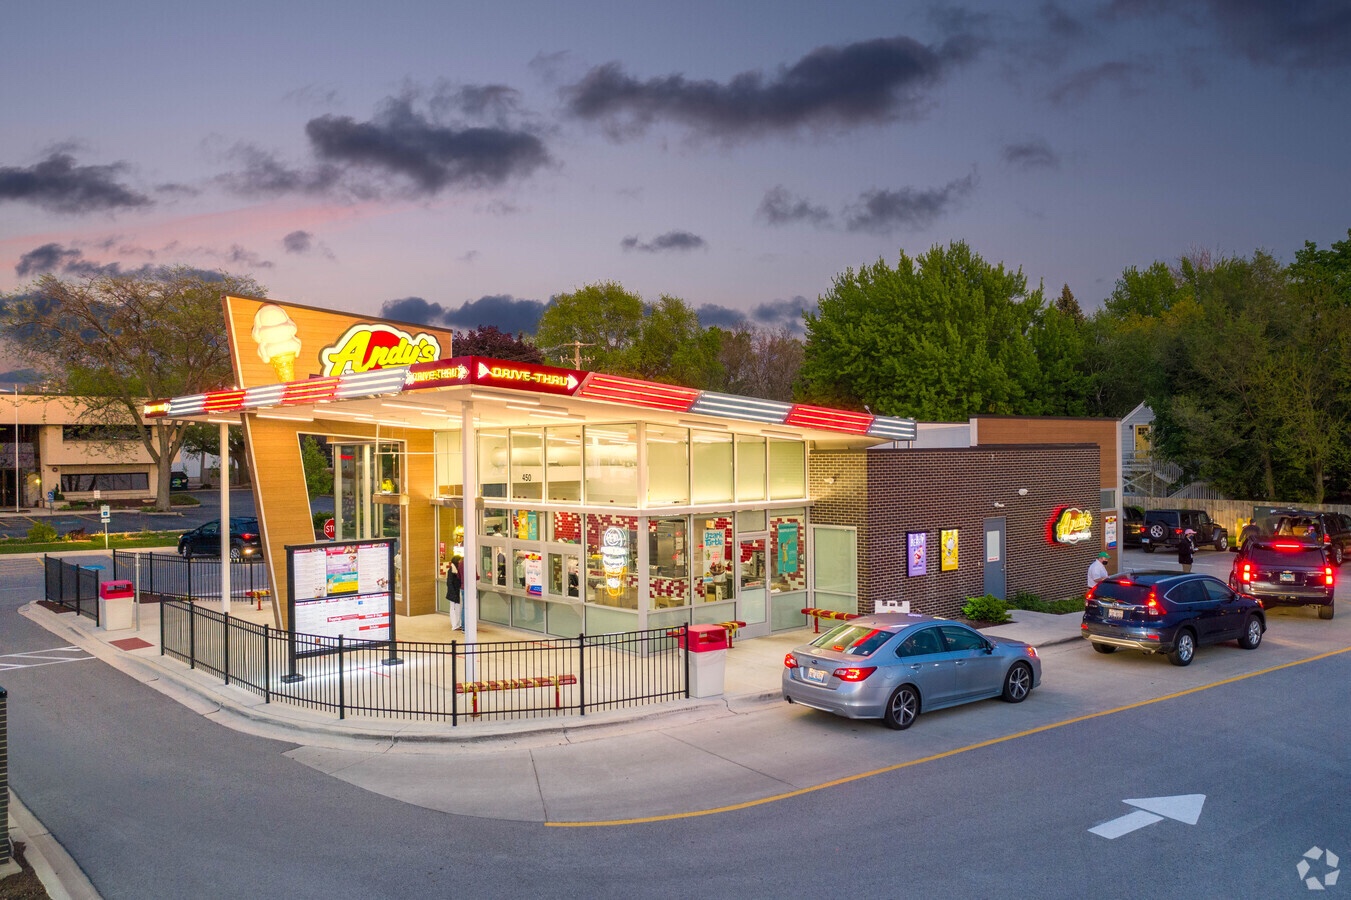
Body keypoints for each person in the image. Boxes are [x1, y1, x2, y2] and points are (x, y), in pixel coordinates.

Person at [446, 555, 463, 630]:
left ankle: (458, 623)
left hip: (457, 591)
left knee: (458, 608)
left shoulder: (457, 569)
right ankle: (454, 625)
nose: (460, 562)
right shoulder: (451, 570)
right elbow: (449, 583)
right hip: (453, 593)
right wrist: (453, 593)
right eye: (459, 560)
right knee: (453, 609)